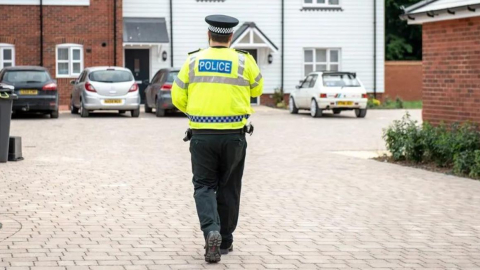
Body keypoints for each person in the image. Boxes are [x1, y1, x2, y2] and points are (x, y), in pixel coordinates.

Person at [172, 14, 263, 263]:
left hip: (201, 136)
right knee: (230, 187)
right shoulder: (245, 61)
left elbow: (177, 97)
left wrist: (198, 110)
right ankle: (224, 241)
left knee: (204, 186)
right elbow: (257, 89)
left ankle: (210, 230)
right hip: (234, 136)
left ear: (208, 35)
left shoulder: (193, 60)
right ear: (231, 36)